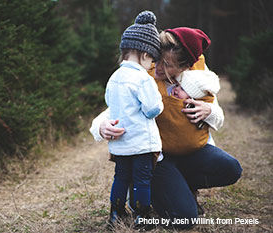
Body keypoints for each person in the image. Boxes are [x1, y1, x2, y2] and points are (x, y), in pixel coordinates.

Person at [90, 25, 243, 229]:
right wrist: (101, 126)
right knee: (184, 218)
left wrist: (209, 111)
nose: (159, 67)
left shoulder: (198, 78)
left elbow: (219, 116)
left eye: (168, 65)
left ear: (185, 66)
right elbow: (114, 108)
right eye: (158, 59)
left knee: (231, 168)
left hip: (191, 152)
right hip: (157, 158)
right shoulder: (143, 75)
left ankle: (181, 185)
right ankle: (152, 189)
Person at [104, 10, 164, 229]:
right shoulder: (142, 78)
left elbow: (110, 104)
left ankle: (115, 213)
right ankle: (142, 215)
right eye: (153, 60)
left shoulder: (114, 77)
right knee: (141, 180)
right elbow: (152, 109)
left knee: (120, 178)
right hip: (141, 143)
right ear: (145, 54)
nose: (152, 65)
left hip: (120, 144)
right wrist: (158, 100)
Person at [158, 69, 220, 155]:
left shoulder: (202, 87)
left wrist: (210, 111)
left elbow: (220, 119)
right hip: (166, 149)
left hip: (197, 147)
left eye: (182, 89)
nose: (176, 89)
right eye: (177, 85)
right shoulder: (163, 89)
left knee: (230, 164)